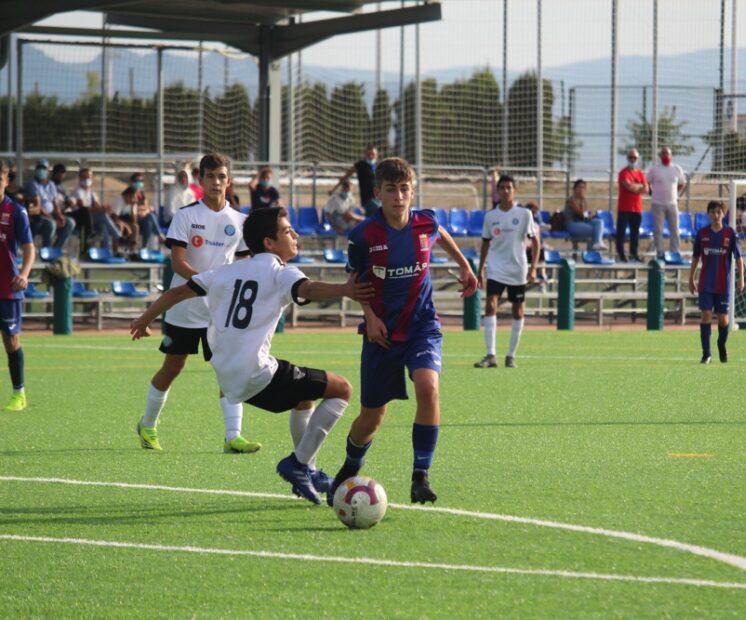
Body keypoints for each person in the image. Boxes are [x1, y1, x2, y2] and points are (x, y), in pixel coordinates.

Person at [131, 206, 373, 504]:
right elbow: (308, 289)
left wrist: (144, 319)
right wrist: (345, 289)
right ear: (269, 243)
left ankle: (308, 471)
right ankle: (299, 464)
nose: (295, 235)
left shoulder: (226, 270)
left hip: (227, 377)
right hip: (256, 373)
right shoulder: (281, 272)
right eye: (287, 231)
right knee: (342, 389)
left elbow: (176, 293)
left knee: (305, 396)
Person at [327, 157, 478, 506]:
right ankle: (350, 467)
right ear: (377, 193)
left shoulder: (426, 222)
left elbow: (440, 233)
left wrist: (465, 266)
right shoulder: (363, 235)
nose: (399, 196)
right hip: (381, 334)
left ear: (413, 191)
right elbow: (355, 282)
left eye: (405, 189)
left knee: (428, 387)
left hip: (421, 326)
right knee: (371, 417)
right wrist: (370, 317)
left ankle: (420, 476)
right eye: (391, 189)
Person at [135, 153, 258, 452]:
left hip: (221, 311)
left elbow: (244, 264)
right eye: (210, 176)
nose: (216, 182)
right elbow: (177, 263)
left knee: (228, 370)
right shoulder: (186, 215)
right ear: (200, 180)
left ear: (229, 181)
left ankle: (233, 436)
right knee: (173, 367)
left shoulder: (241, 221)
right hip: (185, 308)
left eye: (221, 176)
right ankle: (148, 425)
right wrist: (205, 282)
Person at [474, 174, 539, 369]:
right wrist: (480, 270)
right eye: (502, 187)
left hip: (517, 269)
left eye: (509, 187)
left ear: (515, 190)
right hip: (496, 268)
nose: (505, 191)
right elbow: (485, 243)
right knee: (490, 305)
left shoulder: (524, 214)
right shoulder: (490, 216)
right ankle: (490, 354)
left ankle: (511, 355)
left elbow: (535, 241)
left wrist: (534, 268)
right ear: (498, 191)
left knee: (517, 310)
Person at [688, 200, 744, 364]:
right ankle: (706, 354)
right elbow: (695, 257)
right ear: (708, 214)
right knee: (706, 316)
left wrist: (741, 278)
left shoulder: (730, 233)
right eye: (712, 212)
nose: (716, 215)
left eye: (719, 212)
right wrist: (691, 278)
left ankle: (721, 343)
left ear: (724, 214)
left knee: (723, 320)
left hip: (723, 284)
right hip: (705, 283)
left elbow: (739, 258)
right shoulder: (702, 233)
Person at [0, 161, 35, 412]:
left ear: (6, 181)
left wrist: (23, 273)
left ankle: (18, 393)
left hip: (7, 287)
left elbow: (29, 247)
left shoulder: (15, 211)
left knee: (11, 340)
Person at [70, 167, 126, 252]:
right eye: (84, 177)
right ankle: (118, 237)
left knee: (103, 225)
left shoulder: (91, 192)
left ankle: (105, 250)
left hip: (91, 219)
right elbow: (84, 210)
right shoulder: (78, 191)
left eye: (88, 177)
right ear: (80, 178)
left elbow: (97, 206)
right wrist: (100, 210)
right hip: (81, 219)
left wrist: (103, 208)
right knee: (103, 216)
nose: (86, 179)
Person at [23, 159, 75, 250]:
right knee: (51, 224)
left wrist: (59, 216)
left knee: (70, 222)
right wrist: (52, 218)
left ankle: (55, 250)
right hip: (39, 216)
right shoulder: (32, 184)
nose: (41, 170)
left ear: (48, 171)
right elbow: (38, 206)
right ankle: (46, 250)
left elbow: (55, 203)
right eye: (39, 168)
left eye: (44, 168)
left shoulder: (51, 184)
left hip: (51, 215)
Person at [646, 147, 687, 257]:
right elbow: (647, 182)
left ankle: (675, 252)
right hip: (657, 204)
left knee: (674, 229)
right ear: (660, 156)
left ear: (671, 155)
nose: (665, 156)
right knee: (658, 230)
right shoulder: (654, 169)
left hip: (672, 204)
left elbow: (682, 183)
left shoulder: (676, 169)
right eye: (663, 154)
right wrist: (651, 191)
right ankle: (660, 253)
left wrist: (674, 192)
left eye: (667, 154)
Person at [616, 148, 649, 262]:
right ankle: (620, 255)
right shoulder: (623, 173)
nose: (632, 159)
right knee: (621, 233)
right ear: (627, 158)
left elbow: (646, 189)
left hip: (637, 208)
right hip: (624, 208)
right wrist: (639, 186)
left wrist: (637, 187)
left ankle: (633, 254)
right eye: (630, 157)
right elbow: (628, 186)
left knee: (635, 233)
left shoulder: (640, 173)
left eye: (635, 158)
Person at [118, 173, 163, 251]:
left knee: (148, 222)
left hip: (141, 217)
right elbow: (132, 206)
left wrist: (144, 211)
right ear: (131, 182)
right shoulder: (128, 193)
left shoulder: (141, 194)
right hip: (130, 218)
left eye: (141, 180)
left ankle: (143, 248)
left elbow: (147, 206)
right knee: (150, 216)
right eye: (136, 180)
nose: (139, 182)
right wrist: (144, 210)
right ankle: (159, 235)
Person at [334, 145, 380, 217]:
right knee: (377, 210)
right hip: (367, 198)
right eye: (368, 154)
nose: (371, 156)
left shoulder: (379, 165)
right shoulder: (360, 165)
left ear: (376, 155)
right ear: (365, 154)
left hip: (379, 197)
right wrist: (334, 189)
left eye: (372, 154)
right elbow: (345, 177)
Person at [562, 179, 607, 251]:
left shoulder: (583, 200)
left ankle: (597, 243)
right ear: (574, 189)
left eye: (583, 188)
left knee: (599, 222)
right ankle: (592, 251)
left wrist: (590, 215)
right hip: (571, 224)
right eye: (579, 187)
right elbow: (580, 213)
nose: (581, 190)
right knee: (593, 230)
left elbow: (585, 213)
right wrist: (582, 201)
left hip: (582, 222)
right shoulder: (571, 200)